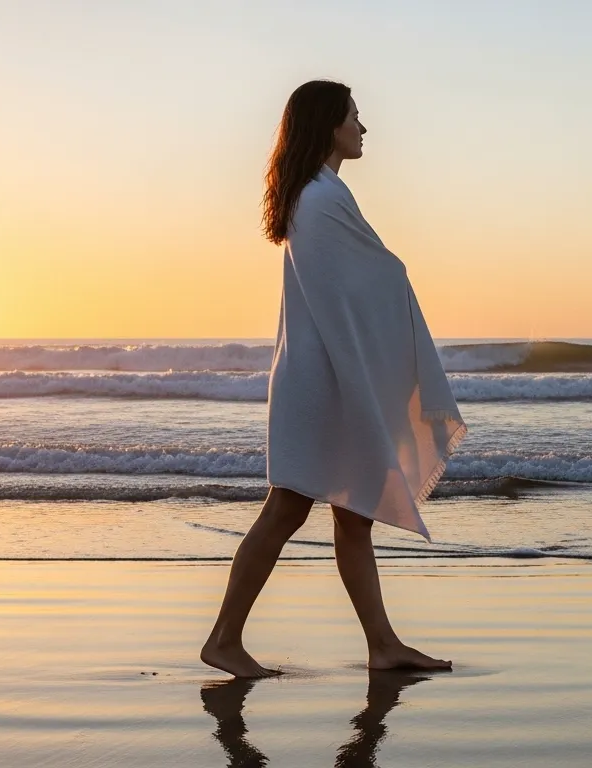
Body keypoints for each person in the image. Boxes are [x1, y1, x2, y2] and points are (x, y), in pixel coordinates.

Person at [200, 80, 468, 678]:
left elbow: (349, 287)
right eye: (354, 116)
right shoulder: (319, 200)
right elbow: (356, 283)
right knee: (287, 507)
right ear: (329, 125)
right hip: (318, 385)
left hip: (323, 376)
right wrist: (394, 274)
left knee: (352, 513)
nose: (363, 127)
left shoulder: (319, 194)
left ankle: (383, 645)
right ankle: (223, 639)